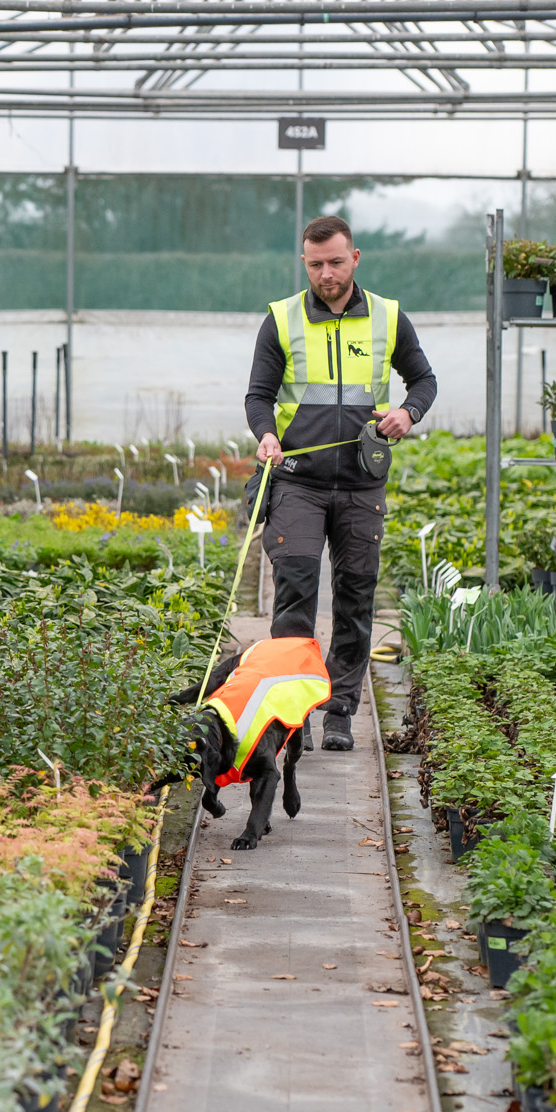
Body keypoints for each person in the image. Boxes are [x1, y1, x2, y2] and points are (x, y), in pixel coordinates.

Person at [244, 214, 437, 752]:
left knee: (355, 596)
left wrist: (408, 413)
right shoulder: (281, 320)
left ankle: (339, 711)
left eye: (335, 262)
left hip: (360, 483)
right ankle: (292, 714)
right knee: (295, 593)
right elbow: (259, 395)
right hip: (297, 482)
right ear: (304, 263)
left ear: (355, 258)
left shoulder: (388, 318)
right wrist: (266, 435)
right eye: (315, 265)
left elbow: (423, 379)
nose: (326, 274)